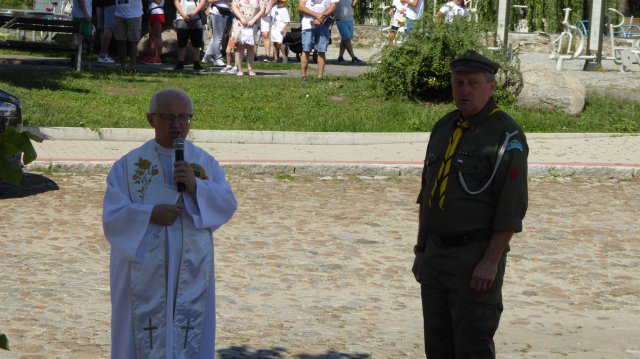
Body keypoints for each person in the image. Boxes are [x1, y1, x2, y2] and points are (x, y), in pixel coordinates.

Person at [102, 87, 238, 359]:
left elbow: (226, 203)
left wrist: (196, 187)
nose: (178, 125)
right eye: (169, 117)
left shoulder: (204, 163)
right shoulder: (127, 167)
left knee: (189, 333)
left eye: (184, 117)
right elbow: (113, 218)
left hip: (192, 266)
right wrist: (149, 214)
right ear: (151, 119)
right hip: (142, 270)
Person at [412, 50, 528, 358]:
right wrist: (421, 249)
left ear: (491, 87)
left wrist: (490, 261)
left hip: (474, 257)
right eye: (458, 82)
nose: (464, 90)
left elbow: (511, 207)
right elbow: (428, 194)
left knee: (472, 346)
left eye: (473, 83)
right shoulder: (444, 127)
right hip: (436, 256)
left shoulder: (505, 134)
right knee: (437, 346)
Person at [298, 0, 338, 82]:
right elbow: (301, 7)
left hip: (323, 24)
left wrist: (322, 17)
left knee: (321, 50)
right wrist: (317, 15)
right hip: (308, 24)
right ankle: (303, 77)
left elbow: (333, 6)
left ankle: (320, 77)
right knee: (306, 50)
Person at [230, 0, 266, 76]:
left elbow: (263, 9)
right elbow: (233, 6)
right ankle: (239, 69)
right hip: (240, 23)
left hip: (253, 24)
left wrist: (253, 20)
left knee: (251, 47)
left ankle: (250, 69)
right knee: (240, 47)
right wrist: (241, 17)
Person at [174, 0, 209, 71]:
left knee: (196, 43)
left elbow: (202, 1)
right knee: (182, 42)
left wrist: (193, 13)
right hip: (181, 17)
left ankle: (196, 64)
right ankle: (180, 63)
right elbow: (176, 1)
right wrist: (183, 14)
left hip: (196, 18)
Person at [114, 0, 143, 69]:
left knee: (133, 41)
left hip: (134, 15)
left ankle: (132, 66)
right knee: (120, 41)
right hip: (119, 14)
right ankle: (122, 66)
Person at [202, 0, 232, 66]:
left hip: (225, 11)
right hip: (217, 11)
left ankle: (207, 56)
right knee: (218, 37)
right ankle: (217, 58)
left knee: (216, 36)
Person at [141, 0, 165, 64]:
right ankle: (151, 56)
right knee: (152, 37)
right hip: (151, 12)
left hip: (157, 12)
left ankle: (157, 58)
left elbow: (158, 1)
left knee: (158, 36)